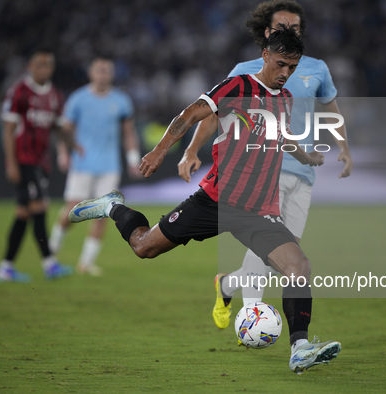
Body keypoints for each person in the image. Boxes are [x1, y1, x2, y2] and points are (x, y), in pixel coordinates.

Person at [68, 28, 340, 374]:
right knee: (143, 248)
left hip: (257, 211)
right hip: (214, 201)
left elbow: (281, 135)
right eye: (282, 63)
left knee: (298, 266)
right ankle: (111, 206)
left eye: (293, 66)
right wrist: (160, 150)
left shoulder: (284, 99)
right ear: (266, 55)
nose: (286, 73)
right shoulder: (237, 86)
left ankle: (300, 348)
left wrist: (305, 157)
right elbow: (191, 113)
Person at [177, 0, 353, 330]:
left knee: (285, 258)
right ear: (267, 33)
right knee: (266, 243)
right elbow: (215, 112)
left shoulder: (316, 69)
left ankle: (227, 285)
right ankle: (253, 320)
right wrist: (191, 150)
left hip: (301, 173)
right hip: (257, 171)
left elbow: (331, 108)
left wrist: (343, 146)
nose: (289, 32)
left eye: (296, 28)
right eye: (281, 28)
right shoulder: (245, 69)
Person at [48, 57, 141, 276]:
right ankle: (51, 250)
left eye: (107, 70)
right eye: (99, 70)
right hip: (82, 164)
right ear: (91, 73)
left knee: (104, 213)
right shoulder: (78, 99)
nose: (103, 74)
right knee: (72, 209)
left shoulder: (121, 101)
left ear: (112, 74)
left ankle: (86, 263)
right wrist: (63, 153)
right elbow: (65, 130)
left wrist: (133, 159)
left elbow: (128, 132)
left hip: (109, 166)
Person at [0, 48, 76, 282]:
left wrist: (74, 144)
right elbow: (8, 130)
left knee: (23, 213)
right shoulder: (19, 92)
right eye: (40, 65)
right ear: (30, 67)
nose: (45, 69)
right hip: (24, 160)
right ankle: (49, 264)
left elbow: (58, 126)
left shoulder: (54, 95)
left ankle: (6, 267)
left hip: (41, 161)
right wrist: (11, 163)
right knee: (39, 208)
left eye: (48, 65)